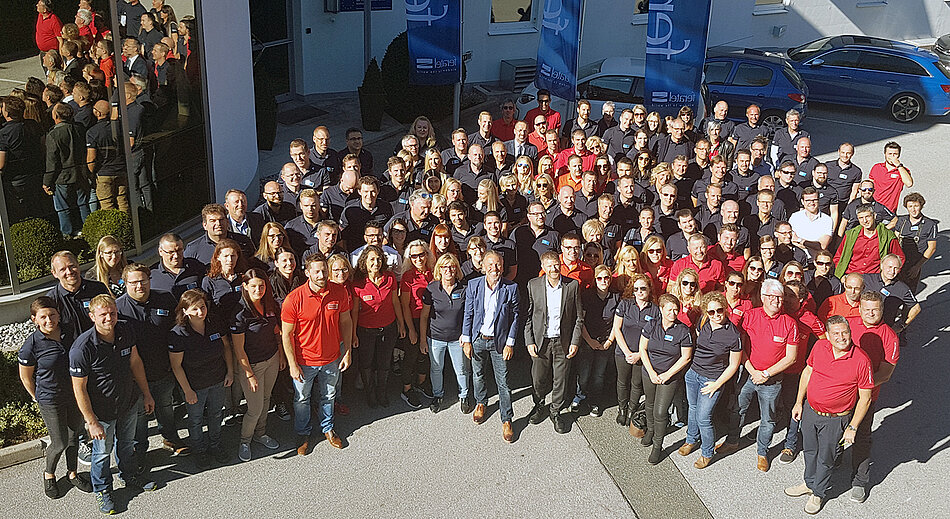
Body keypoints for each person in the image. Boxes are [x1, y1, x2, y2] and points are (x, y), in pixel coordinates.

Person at [70, 294, 157, 514]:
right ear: (92, 316)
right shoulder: (82, 348)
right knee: (102, 454)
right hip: (102, 413)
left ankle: (129, 476)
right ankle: (102, 490)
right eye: (103, 314)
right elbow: (79, 388)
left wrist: (146, 394)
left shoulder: (125, 330)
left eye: (112, 313)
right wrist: (91, 422)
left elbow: (135, 362)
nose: (109, 318)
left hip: (128, 403)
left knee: (126, 445)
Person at [784, 316, 873, 515]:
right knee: (809, 451)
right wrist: (799, 402)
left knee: (826, 457)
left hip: (836, 419)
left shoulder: (861, 360)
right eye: (836, 333)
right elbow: (807, 372)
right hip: (811, 411)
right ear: (828, 335)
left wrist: (853, 427)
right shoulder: (819, 347)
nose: (841, 337)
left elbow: (865, 399)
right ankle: (809, 483)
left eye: (845, 332)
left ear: (850, 332)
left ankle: (818, 493)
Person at [719, 279, 799, 473]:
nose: (776, 301)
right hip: (748, 374)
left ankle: (762, 452)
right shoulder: (750, 316)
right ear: (763, 297)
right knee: (738, 409)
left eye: (779, 297)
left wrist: (766, 374)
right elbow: (740, 348)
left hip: (772, 381)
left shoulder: (790, 323)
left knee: (768, 419)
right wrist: (753, 371)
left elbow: (791, 358)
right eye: (771, 296)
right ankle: (732, 441)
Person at [18, 296, 93, 499]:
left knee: (74, 437)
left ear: (58, 315)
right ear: (34, 319)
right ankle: (49, 474)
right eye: (43, 317)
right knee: (59, 442)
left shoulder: (69, 332)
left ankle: (72, 473)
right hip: (50, 399)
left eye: (52, 315)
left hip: (74, 394)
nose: (49, 320)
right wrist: (37, 397)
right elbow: (25, 377)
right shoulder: (31, 345)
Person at [281, 252, 353, 454]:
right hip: (304, 361)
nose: (321, 275)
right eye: (317, 272)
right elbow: (286, 335)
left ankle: (328, 428)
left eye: (324, 271)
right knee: (301, 399)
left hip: (332, 358)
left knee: (328, 395)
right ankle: (303, 433)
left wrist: (347, 351)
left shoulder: (339, 292)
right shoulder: (294, 299)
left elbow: (346, 322)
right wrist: (292, 364)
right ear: (307, 273)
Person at [168, 289, 233, 469]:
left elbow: (226, 347)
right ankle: (199, 450)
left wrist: (230, 371)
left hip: (217, 379)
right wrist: (187, 390)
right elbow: (176, 366)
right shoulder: (178, 333)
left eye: (203, 307)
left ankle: (215, 445)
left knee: (216, 414)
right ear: (185, 311)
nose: (200, 312)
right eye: (195, 309)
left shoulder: (214, 323)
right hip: (194, 385)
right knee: (195, 419)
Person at [460, 251, 520, 442]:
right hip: (478, 338)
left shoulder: (511, 288)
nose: (495, 268)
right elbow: (468, 313)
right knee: (478, 375)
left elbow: (516, 317)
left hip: (499, 342)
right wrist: (467, 340)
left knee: (503, 381)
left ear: (503, 266)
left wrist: (510, 343)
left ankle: (507, 418)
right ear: (483, 267)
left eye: (498, 264)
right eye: (491, 265)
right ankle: (481, 403)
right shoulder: (474, 285)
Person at [847, 291, 899, 503]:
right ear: (859, 309)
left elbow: (885, 374)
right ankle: (833, 462)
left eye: (875, 310)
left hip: (865, 396)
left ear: (882, 310)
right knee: (834, 432)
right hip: (841, 394)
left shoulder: (889, 336)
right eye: (866, 309)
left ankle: (860, 480)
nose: (870, 313)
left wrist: (860, 388)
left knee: (861, 437)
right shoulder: (848, 325)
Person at [680, 292, 742, 469]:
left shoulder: (733, 335)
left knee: (704, 418)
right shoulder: (703, 322)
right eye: (711, 312)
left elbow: (733, 365)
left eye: (719, 310)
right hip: (693, 374)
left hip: (712, 379)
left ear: (726, 309)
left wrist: (717, 384)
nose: (716, 315)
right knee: (692, 408)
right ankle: (691, 439)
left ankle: (707, 453)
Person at [524, 252, 584, 434]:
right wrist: (529, 341)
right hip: (541, 341)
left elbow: (579, 317)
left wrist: (575, 341)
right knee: (538, 378)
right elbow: (528, 316)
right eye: (549, 265)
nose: (553, 268)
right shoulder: (533, 285)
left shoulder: (572, 285)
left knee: (561, 379)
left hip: (562, 341)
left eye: (556, 264)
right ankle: (539, 405)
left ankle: (555, 411)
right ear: (543, 267)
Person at [230, 269, 283, 462]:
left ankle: (261, 433)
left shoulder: (269, 304)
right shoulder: (240, 314)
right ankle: (245, 441)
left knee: (266, 399)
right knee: (254, 409)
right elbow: (238, 349)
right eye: (253, 286)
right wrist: (249, 374)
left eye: (261, 286)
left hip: (272, 359)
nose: (258, 290)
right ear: (244, 286)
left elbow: (276, 330)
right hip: (252, 366)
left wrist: (281, 354)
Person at [639, 293, 694, 464]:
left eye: (676, 309)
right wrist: (651, 372)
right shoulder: (651, 325)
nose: (673, 313)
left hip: (669, 376)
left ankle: (658, 445)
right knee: (649, 404)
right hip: (649, 372)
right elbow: (642, 348)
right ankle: (650, 430)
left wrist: (667, 375)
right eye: (669, 309)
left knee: (660, 411)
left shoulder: (683, 330)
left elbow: (686, 357)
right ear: (661, 309)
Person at [351, 245, 404, 408]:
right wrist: (353, 334)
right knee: (366, 364)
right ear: (364, 262)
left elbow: (395, 302)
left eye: (379, 259)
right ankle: (370, 393)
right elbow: (354, 311)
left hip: (388, 328)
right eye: (372, 259)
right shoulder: (358, 284)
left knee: (384, 363)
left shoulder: (389, 278)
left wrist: (401, 324)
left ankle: (382, 392)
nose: (376, 262)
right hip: (366, 330)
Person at [420, 253, 473, 414]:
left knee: (461, 369)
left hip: (457, 338)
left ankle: (464, 396)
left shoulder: (464, 289)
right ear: (439, 269)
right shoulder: (431, 289)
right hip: (436, 337)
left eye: (452, 266)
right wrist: (423, 339)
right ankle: (438, 395)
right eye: (444, 267)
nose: (448, 270)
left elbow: (468, 315)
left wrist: (465, 335)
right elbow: (424, 316)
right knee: (436, 368)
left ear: (456, 269)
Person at [575, 265, 619, 417]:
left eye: (606, 277)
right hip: (588, 339)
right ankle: (579, 396)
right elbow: (581, 321)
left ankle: (595, 401)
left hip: (606, 341)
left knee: (598, 375)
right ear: (595, 280)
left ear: (610, 279)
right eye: (599, 278)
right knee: (584, 373)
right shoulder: (587, 295)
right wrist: (589, 341)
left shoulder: (615, 297)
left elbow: (617, 323)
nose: (603, 281)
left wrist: (609, 341)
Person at [44, 102, 89, 237]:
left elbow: (52, 162)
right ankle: (88, 229)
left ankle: (67, 234)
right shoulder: (79, 129)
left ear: (56, 116)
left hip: (62, 177)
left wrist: (47, 181)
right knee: (83, 203)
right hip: (80, 174)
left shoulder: (54, 134)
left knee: (63, 207)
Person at [400, 240, 435, 404]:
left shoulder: (434, 272)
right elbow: (405, 306)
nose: (418, 259)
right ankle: (406, 389)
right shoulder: (408, 276)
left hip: (431, 319)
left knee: (425, 354)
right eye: (414, 256)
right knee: (411, 355)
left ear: (427, 254)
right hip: (414, 320)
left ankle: (421, 382)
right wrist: (411, 330)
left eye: (421, 254)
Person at [833, 204, 902, 276]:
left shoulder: (887, 236)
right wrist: (842, 276)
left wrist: (890, 275)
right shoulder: (850, 235)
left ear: (874, 216)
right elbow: (838, 257)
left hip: (875, 277)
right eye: (861, 218)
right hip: (852, 275)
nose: (865, 221)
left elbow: (899, 258)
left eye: (867, 216)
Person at [185, 203, 255, 267]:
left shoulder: (243, 242)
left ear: (227, 222)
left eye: (221, 220)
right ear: (205, 225)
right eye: (213, 221)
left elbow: (254, 265)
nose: (218, 224)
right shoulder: (193, 249)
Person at [892, 192, 937, 291]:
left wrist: (917, 267)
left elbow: (932, 248)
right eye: (910, 206)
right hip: (899, 260)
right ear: (906, 207)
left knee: (909, 292)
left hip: (914, 263)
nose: (913, 209)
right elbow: (895, 239)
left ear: (921, 206)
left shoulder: (930, 224)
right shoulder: (901, 221)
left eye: (916, 206)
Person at [150, 233, 205, 299]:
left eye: (179, 250)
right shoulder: (152, 275)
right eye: (171, 252)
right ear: (160, 251)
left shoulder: (195, 266)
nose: (176, 256)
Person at [868, 141, 913, 212]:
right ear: (885, 154)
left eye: (895, 154)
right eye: (890, 154)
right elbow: (869, 185)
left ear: (899, 155)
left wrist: (899, 165)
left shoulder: (902, 171)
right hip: (873, 208)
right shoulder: (876, 167)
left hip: (889, 210)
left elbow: (909, 183)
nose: (892, 157)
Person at [789, 187, 834, 256]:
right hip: (797, 258)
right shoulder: (795, 217)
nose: (812, 203)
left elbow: (822, 246)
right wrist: (812, 245)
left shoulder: (827, 220)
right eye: (808, 200)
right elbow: (791, 240)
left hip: (816, 260)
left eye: (814, 200)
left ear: (818, 200)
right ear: (802, 202)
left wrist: (799, 240)